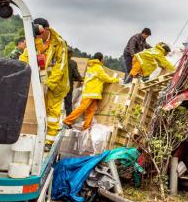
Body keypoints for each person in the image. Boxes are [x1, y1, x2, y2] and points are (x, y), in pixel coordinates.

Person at [20, 18, 69, 147]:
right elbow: (25, 57)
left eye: (41, 32)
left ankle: (48, 141)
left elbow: (61, 65)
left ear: (47, 29)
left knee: (52, 112)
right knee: (37, 109)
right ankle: (36, 136)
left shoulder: (59, 43)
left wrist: (49, 84)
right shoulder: (34, 40)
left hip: (56, 85)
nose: (39, 35)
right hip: (39, 82)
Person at [63, 53, 119, 130]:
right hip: (91, 92)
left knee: (90, 110)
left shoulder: (91, 67)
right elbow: (105, 78)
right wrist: (115, 80)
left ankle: (86, 127)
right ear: (101, 59)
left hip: (91, 92)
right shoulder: (98, 68)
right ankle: (67, 121)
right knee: (82, 108)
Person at [64, 47, 83, 116]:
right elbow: (76, 74)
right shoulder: (72, 63)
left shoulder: (59, 61)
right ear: (70, 54)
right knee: (68, 105)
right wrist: (81, 79)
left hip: (58, 87)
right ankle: (67, 121)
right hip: (68, 87)